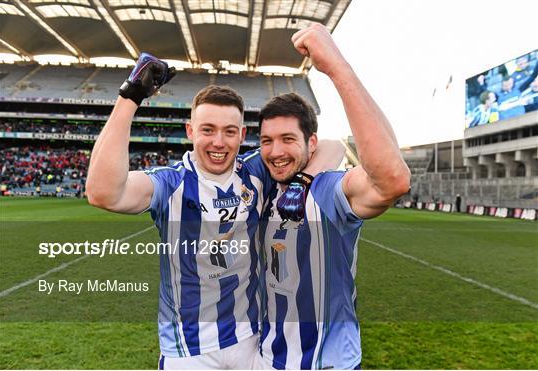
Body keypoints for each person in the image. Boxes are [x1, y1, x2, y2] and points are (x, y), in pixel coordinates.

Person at [86, 54, 342, 369]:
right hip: (189, 351)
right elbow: (102, 193)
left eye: (229, 131)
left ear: (242, 135)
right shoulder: (171, 183)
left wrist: (301, 184)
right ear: (190, 131)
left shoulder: (255, 170)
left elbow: (332, 146)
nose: (219, 142)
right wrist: (131, 97)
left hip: (249, 341)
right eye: (208, 130)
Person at [253, 24, 411, 370]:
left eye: (288, 139)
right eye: (267, 140)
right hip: (267, 360)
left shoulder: (326, 191)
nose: (276, 151)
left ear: (310, 143)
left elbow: (392, 179)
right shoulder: (260, 189)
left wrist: (337, 68)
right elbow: (330, 145)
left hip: (327, 363)